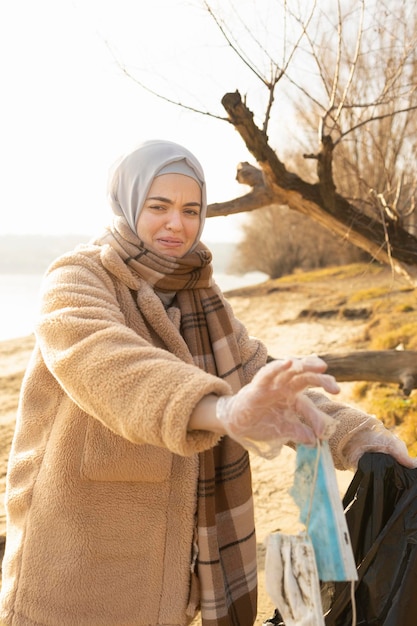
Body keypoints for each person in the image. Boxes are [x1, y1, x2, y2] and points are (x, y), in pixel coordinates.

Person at [0, 139, 415, 626]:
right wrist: (222, 412)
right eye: (159, 206)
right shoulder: (77, 278)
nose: (177, 223)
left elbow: (266, 376)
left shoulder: (204, 298)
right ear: (128, 203)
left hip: (168, 583)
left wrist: (361, 437)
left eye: (191, 209)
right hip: (72, 574)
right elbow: (106, 364)